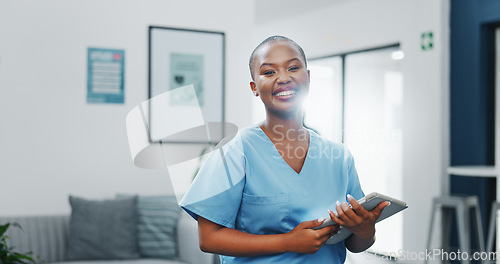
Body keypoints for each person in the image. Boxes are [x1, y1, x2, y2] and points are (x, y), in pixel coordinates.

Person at [179, 35, 389, 264]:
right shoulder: (235, 152)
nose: (283, 78)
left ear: (307, 77)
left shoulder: (338, 157)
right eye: (269, 72)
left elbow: (355, 245)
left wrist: (365, 230)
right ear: (254, 88)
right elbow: (209, 238)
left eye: (293, 68)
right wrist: (287, 242)